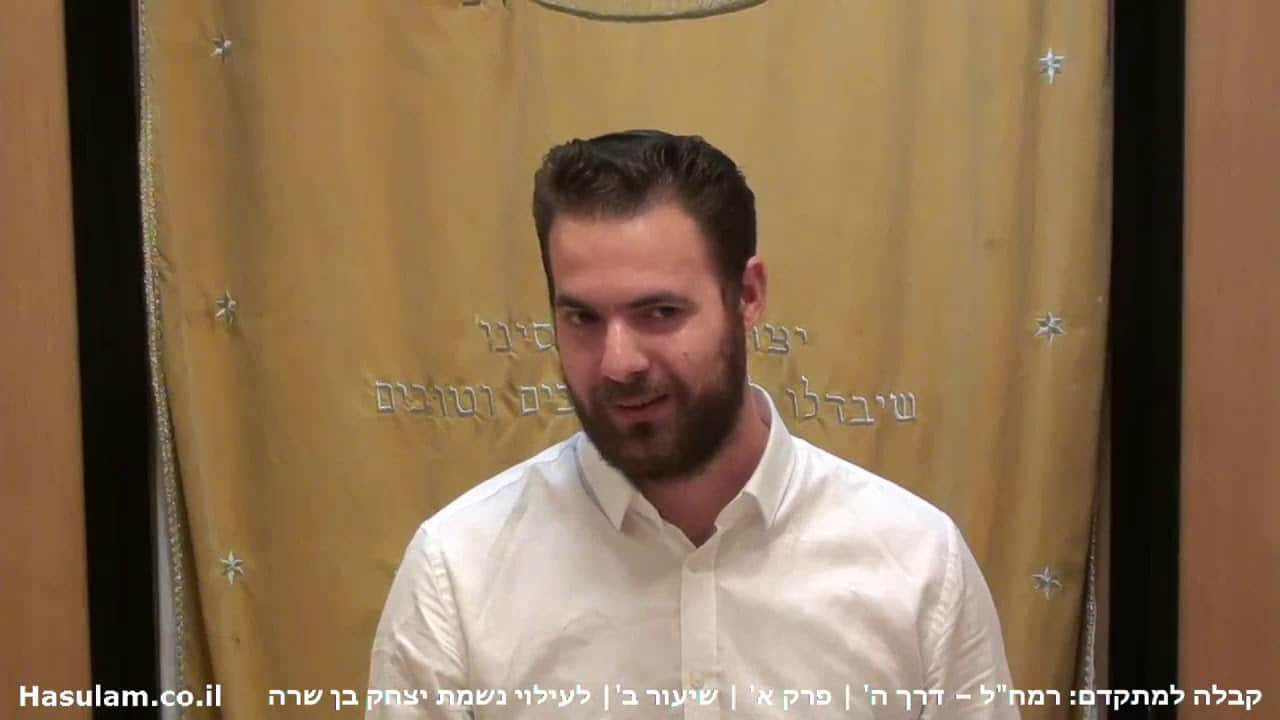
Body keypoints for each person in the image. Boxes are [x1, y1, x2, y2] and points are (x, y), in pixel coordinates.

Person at [366, 130, 1018, 719]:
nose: (618, 362)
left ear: (748, 296)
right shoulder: (458, 573)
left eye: (660, 313)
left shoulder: (917, 566)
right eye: (583, 318)